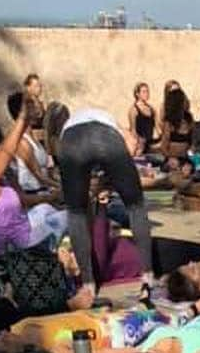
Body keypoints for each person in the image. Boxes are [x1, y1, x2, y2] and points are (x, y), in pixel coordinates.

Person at [45, 102, 152, 301]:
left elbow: (84, 182)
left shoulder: (66, 132)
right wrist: (117, 179)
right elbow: (130, 145)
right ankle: (147, 278)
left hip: (73, 144)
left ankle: (88, 285)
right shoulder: (113, 123)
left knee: (76, 213)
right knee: (135, 206)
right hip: (106, 138)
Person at [0, 111, 68, 256]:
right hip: (19, 246)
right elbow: (7, 151)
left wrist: (51, 196)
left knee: (45, 208)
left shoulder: (1, 175)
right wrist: (23, 116)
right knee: (74, 216)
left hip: (21, 232)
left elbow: (21, 197)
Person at [5, 91, 54, 193]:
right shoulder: (22, 141)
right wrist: (65, 187)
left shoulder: (34, 137)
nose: (37, 108)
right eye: (32, 105)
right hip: (34, 195)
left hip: (45, 192)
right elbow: (39, 176)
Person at [158, 86, 194, 163]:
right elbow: (163, 147)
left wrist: (191, 155)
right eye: (184, 100)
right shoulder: (169, 122)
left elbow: (193, 142)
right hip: (172, 159)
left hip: (186, 158)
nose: (186, 101)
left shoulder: (189, 118)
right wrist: (170, 158)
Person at [127, 83, 158, 157]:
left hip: (149, 142)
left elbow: (157, 127)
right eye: (144, 92)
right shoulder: (133, 110)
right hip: (139, 144)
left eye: (147, 91)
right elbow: (133, 130)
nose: (146, 94)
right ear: (137, 94)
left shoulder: (152, 108)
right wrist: (138, 144)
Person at [23, 73, 47, 138]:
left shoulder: (40, 103)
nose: (39, 88)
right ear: (28, 88)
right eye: (36, 86)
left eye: (40, 86)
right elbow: (27, 129)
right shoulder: (26, 105)